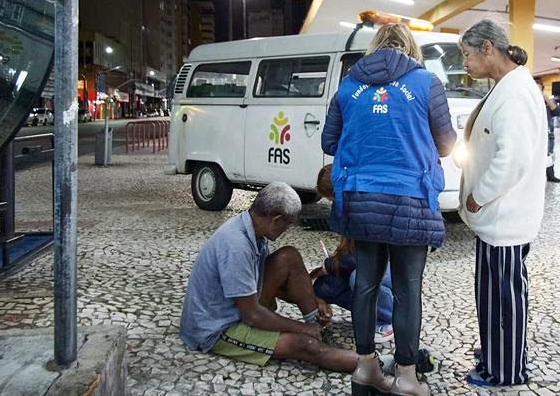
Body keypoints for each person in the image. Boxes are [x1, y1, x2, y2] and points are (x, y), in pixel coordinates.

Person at [322, 23, 457, 396]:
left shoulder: (349, 85)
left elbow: (329, 141)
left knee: (365, 283)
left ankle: (365, 369)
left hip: (361, 201)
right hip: (410, 200)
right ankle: (407, 378)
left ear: (374, 47)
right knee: (406, 290)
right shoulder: (426, 83)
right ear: (411, 48)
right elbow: (446, 145)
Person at [179, 182, 391, 387]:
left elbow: (271, 284)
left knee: (289, 256)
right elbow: (251, 315)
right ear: (276, 220)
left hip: (239, 306)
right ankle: (380, 364)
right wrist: (302, 329)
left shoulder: (253, 229)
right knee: (305, 345)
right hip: (217, 328)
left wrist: (315, 301)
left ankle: (317, 327)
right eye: (288, 224)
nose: (287, 228)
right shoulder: (236, 246)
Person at [457, 19, 547, 387]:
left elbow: (512, 160)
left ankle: (506, 369)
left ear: (488, 48)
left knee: (505, 299)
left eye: (467, 55)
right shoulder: (505, 86)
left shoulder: (515, 93)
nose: (464, 63)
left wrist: (478, 197)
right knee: (491, 295)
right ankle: (497, 349)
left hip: (504, 217)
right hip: (495, 219)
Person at [311, 164, 395, 344]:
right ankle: (367, 314)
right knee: (323, 286)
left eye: (332, 199)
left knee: (359, 278)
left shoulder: (366, 205)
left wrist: (329, 265)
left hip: (387, 270)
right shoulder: (346, 208)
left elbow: (361, 259)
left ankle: (388, 319)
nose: (333, 204)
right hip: (363, 267)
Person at [536, 81, 560, 183]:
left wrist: (545, 98)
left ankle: (550, 175)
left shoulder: (548, 102)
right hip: (535, 134)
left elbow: (557, 111)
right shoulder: (529, 101)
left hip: (548, 134)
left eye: (539, 89)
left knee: (549, 154)